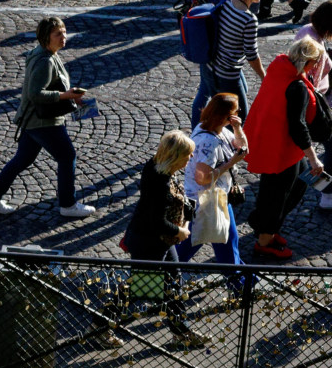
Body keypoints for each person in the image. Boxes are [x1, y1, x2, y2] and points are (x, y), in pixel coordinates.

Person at [0, 15, 99, 219]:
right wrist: (65, 96)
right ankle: (68, 205)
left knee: (23, 159)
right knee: (67, 156)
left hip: (32, 120)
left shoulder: (46, 53)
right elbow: (36, 94)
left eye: (64, 32)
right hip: (44, 121)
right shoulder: (45, 61)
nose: (63, 37)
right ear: (46, 37)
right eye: (58, 34)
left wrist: (72, 96)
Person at [243, 36, 327, 261]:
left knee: (295, 186)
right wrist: (314, 158)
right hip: (282, 151)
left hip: (274, 145)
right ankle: (264, 241)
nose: (316, 66)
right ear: (307, 62)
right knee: (276, 197)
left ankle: (266, 228)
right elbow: (298, 126)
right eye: (315, 62)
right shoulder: (297, 86)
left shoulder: (279, 69)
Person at [124, 130, 203, 345]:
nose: (191, 158)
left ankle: (181, 332)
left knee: (173, 283)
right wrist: (180, 232)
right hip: (149, 243)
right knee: (138, 290)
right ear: (175, 156)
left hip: (156, 241)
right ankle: (99, 326)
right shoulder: (161, 183)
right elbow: (157, 222)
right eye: (188, 154)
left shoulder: (156, 166)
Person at [180, 93, 246, 268]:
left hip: (217, 197)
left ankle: (238, 278)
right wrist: (231, 162)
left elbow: (243, 148)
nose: (239, 112)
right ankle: (164, 273)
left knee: (226, 242)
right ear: (225, 116)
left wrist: (238, 128)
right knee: (192, 243)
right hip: (204, 201)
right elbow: (202, 178)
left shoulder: (218, 130)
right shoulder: (208, 143)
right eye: (236, 110)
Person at [193, 0, 264, 128]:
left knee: (219, 114)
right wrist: (263, 75)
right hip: (228, 76)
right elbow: (252, 55)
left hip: (210, 69)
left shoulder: (226, 3)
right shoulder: (249, 19)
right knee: (238, 120)